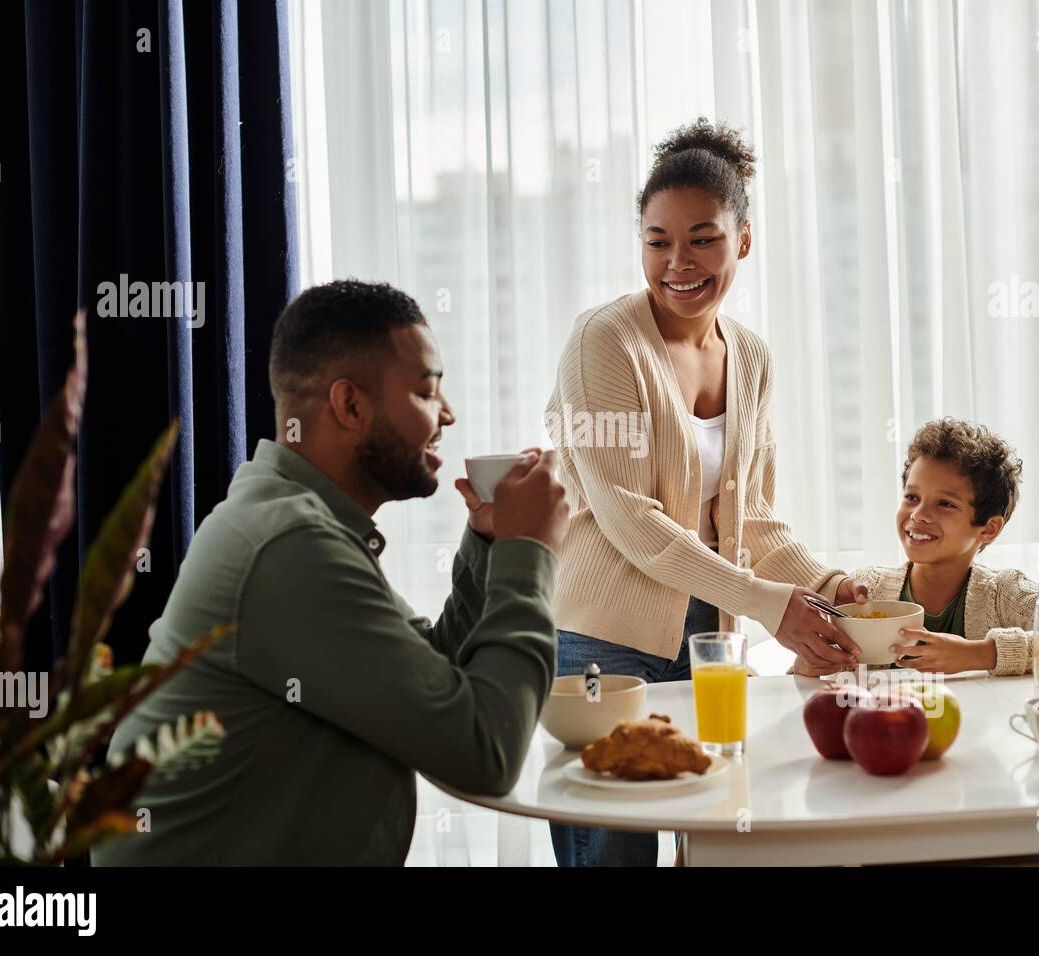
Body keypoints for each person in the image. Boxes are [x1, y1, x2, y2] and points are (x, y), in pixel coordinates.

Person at [93, 280, 569, 865]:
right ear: (349, 405)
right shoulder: (289, 547)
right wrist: (530, 552)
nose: (448, 413)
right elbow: (485, 753)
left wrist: (490, 544)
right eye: (426, 391)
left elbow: (429, 674)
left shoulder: (293, 518)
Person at [545, 118, 869, 867]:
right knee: (612, 859)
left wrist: (823, 586)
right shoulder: (604, 343)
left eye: (702, 239)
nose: (677, 263)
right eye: (657, 241)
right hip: (601, 649)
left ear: (743, 240)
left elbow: (750, 517)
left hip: (709, 645)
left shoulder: (750, 357)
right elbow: (634, 523)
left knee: (719, 851)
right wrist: (770, 605)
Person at [793, 418, 1036, 678]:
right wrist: (808, 665)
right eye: (912, 497)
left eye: (945, 504)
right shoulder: (867, 591)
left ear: (988, 529)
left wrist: (976, 654)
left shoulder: (1004, 593)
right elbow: (804, 678)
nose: (919, 515)